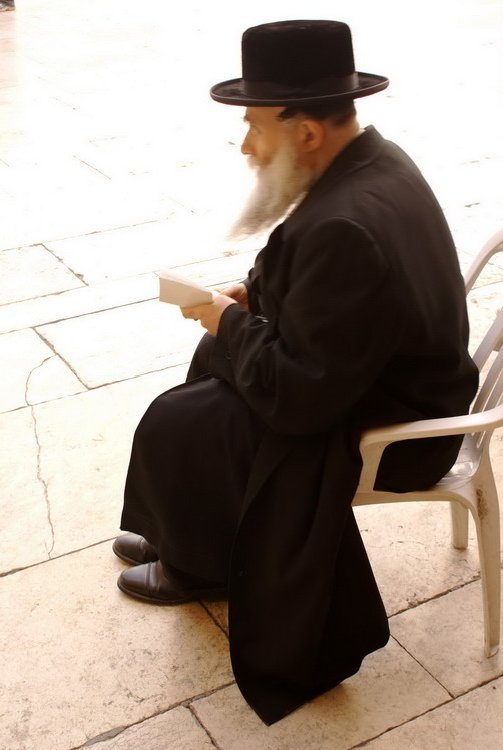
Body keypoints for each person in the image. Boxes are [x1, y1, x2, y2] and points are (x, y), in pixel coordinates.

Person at [114, 20, 478, 724]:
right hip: (386, 376)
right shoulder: (372, 160)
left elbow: (298, 398)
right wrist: (257, 301)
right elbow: (341, 308)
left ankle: (204, 564)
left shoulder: (347, 220)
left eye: (253, 126)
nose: (245, 145)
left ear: (307, 132)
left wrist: (228, 323)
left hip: (401, 427)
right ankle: (190, 533)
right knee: (206, 380)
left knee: (185, 415)